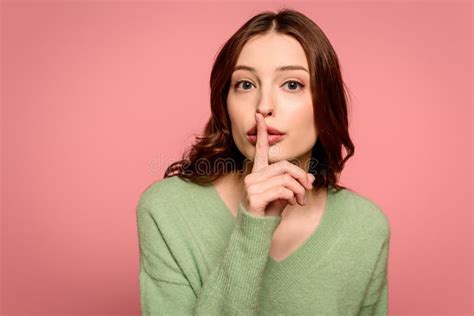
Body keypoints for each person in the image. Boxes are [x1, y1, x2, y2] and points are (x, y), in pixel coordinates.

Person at [136, 8, 390, 315]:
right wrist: (252, 228)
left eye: (292, 84)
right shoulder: (166, 211)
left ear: (326, 104)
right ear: (224, 104)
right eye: (245, 84)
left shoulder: (365, 227)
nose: (264, 106)